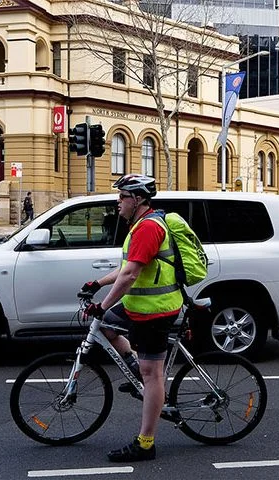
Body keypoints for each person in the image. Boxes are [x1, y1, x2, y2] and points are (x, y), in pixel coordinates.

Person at [79, 174, 182, 463]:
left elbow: (130, 274)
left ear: (137, 200)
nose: (118, 202)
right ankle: (137, 369)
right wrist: (97, 283)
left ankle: (146, 443)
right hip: (138, 304)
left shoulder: (148, 228)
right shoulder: (138, 226)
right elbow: (126, 267)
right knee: (107, 328)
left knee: (153, 374)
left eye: (122, 197)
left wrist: (103, 304)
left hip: (155, 309)